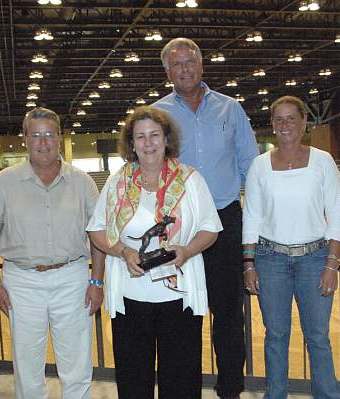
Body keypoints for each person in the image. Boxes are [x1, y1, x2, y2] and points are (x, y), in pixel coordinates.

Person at [87, 106, 222, 398]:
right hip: (131, 296)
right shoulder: (117, 181)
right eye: (140, 137)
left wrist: (186, 250)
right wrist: (123, 251)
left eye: (154, 135)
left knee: (182, 380)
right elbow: (96, 230)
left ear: (166, 139)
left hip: (179, 296)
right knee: (133, 379)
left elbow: (211, 228)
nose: (148, 143)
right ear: (131, 143)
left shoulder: (190, 179)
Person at [153, 37, 259, 398]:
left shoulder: (231, 109)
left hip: (225, 221)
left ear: (201, 65)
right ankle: (183, 389)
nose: (185, 68)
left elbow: (249, 166)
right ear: (167, 72)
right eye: (177, 64)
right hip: (178, 226)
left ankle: (231, 388)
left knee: (228, 313)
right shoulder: (158, 114)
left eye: (191, 61)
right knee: (181, 312)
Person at [0, 107, 105, 399]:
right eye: (36, 135)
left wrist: (96, 281)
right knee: (27, 364)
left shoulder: (82, 181)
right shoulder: (5, 182)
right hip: (21, 281)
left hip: (72, 277)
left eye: (49, 135)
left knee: (76, 363)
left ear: (59, 137)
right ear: (25, 139)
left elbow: (98, 235)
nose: (43, 142)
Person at [242, 96, 340, 399]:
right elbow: (251, 217)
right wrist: (249, 264)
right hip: (270, 260)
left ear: (304, 122)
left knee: (317, 337)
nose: (285, 125)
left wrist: (331, 265)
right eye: (279, 119)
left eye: (291, 118)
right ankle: (275, 394)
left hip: (315, 260)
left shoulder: (323, 161)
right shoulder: (259, 166)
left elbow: (336, 216)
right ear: (272, 125)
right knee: (275, 336)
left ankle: (327, 394)